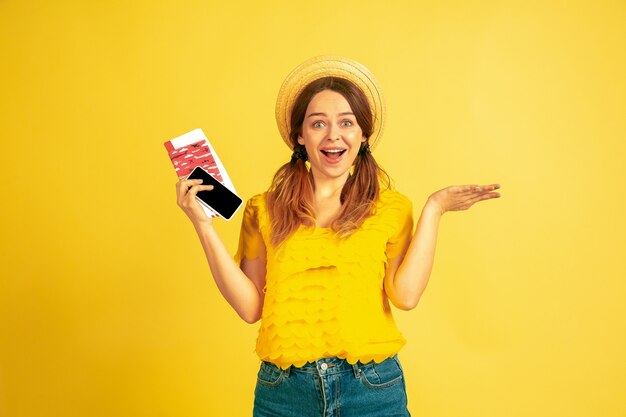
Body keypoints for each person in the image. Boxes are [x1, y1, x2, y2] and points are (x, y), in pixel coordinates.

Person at [175, 56, 501, 417]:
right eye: (318, 124)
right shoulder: (262, 210)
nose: (333, 135)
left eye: (347, 122)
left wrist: (435, 208)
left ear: (363, 135)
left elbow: (406, 296)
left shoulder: (390, 208)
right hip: (283, 393)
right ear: (300, 136)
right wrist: (203, 226)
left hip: (372, 388)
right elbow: (250, 308)